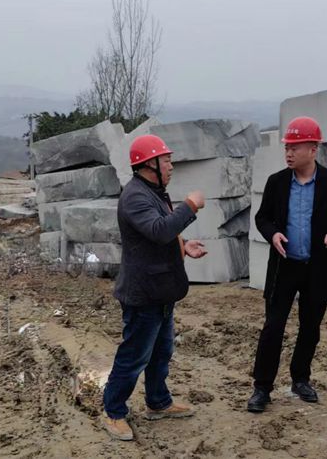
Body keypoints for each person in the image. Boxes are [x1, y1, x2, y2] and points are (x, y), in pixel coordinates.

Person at [102, 134, 208, 441]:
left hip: (160, 290)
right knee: (135, 355)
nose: (171, 166)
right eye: (166, 160)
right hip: (143, 293)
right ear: (149, 164)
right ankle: (113, 412)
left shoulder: (154, 192)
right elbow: (160, 231)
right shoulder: (135, 196)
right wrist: (191, 205)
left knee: (162, 351)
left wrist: (183, 246)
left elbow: (158, 236)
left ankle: (158, 402)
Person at [248, 116, 327, 412]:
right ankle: (262, 387)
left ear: (313, 149)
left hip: (317, 268)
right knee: (273, 327)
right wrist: (272, 234)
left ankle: (300, 379)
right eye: (287, 147)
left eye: (295, 147)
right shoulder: (277, 182)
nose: (289, 153)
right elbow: (262, 218)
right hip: (284, 267)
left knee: (310, 327)